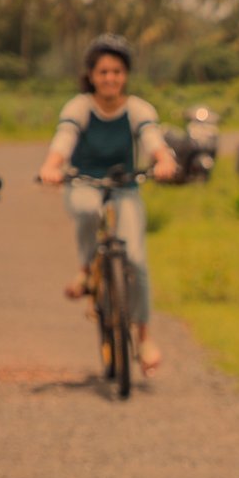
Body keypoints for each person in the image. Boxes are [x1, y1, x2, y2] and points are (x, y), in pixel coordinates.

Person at [37, 33, 179, 375]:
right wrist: (51, 166)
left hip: (125, 187)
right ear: (91, 75)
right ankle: (88, 271)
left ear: (126, 74)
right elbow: (64, 139)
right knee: (86, 210)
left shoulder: (138, 109)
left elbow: (152, 140)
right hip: (83, 183)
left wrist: (163, 161)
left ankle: (143, 335)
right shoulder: (79, 107)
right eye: (103, 72)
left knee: (136, 259)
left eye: (117, 71)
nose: (110, 78)